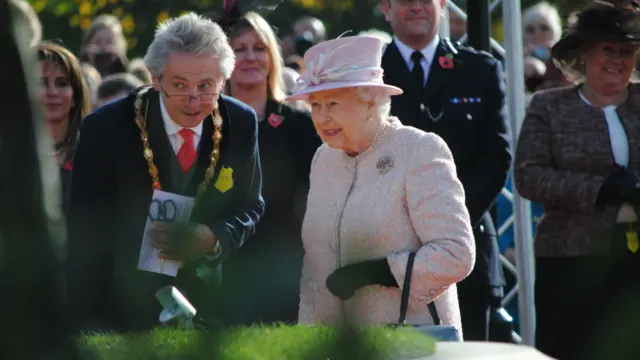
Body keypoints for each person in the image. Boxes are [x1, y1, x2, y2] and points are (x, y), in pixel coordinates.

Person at [66, 13, 264, 333]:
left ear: (224, 81)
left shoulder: (240, 123)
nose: (194, 100)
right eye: (180, 85)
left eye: (206, 86)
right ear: (155, 78)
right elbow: (85, 223)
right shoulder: (106, 128)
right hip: (120, 306)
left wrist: (211, 237)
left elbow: (250, 205)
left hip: (206, 303)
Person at [289, 35, 474, 332]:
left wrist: (380, 271)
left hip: (411, 340)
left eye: (333, 103)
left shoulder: (418, 150)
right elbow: (313, 271)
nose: (323, 117)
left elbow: (456, 253)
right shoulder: (324, 159)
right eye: (315, 105)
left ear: (370, 102)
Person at [514, 3, 640, 359]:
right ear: (585, 54)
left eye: (626, 51)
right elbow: (529, 175)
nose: (617, 60)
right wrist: (597, 190)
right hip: (570, 259)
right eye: (607, 50)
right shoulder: (548, 107)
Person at [380, 0, 511, 341]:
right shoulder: (371, 71)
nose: (416, 7)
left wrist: (447, 225)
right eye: (404, 1)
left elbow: (496, 158)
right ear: (386, 8)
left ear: (442, 6)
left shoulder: (479, 69)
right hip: (385, 258)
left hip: (464, 252)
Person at [215, 11, 321, 325]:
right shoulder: (209, 126)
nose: (250, 57)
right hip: (224, 276)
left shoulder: (300, 125)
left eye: (259, 48)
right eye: (239, 49)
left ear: (273, 57)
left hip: (289, 275)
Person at [37, 42, 91, 206]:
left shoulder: (93, 153)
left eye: (62, 83)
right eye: (41, 83)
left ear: (75, 95)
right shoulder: (9, 155)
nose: (52, 92)